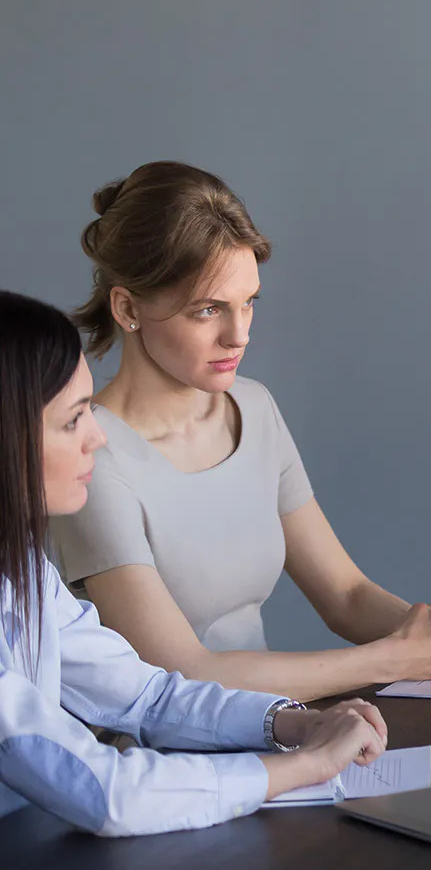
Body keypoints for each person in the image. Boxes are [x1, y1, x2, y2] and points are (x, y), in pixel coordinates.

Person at [51, 161, 431, 703]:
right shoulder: (90, 456)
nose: (238, 335)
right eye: (207, 310)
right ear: (128, 307)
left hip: (277, 728)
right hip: (157, 747)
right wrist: (394, 658)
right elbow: (180, 674)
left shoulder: (254, 407)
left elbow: (346, 595)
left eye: (249, 302)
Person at [0, 290, 389, 835]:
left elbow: (146, 695)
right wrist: (306, 766)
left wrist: (291, 724)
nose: (96, 436)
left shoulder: (22, 570)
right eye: (72, 421)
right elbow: (104, 792)